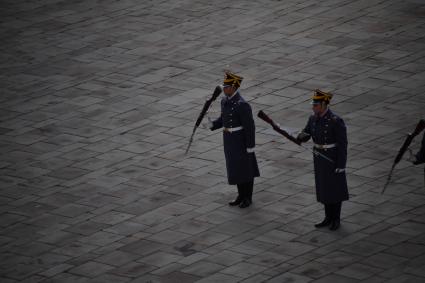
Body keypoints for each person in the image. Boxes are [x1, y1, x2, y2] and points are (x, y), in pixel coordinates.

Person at [296, 89, 348, 230]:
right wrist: (299, 136)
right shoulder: (313, 118)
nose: (313, 108)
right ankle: (327, 217)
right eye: (313, 105)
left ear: (324, 105)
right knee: (324, 188)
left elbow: (343, 144)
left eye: (316, 105)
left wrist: (341, 164)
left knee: (335, 190)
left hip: (331, 158)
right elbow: (307, 133)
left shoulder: (335, 121)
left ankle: (336, 218)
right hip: (319, 158)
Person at [209, 71, 260, 208]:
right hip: (229, 141)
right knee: (235, 169)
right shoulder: (224, 101)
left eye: (226, 87)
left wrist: (250, 145)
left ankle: (247, 197)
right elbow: (223, 120)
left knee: (246, 170)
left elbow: (250, 127)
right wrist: (213, 124)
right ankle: (240, 195)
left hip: (240, 141)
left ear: (233, 87)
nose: (224, 89)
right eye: (224, 86)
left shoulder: (242, 104)